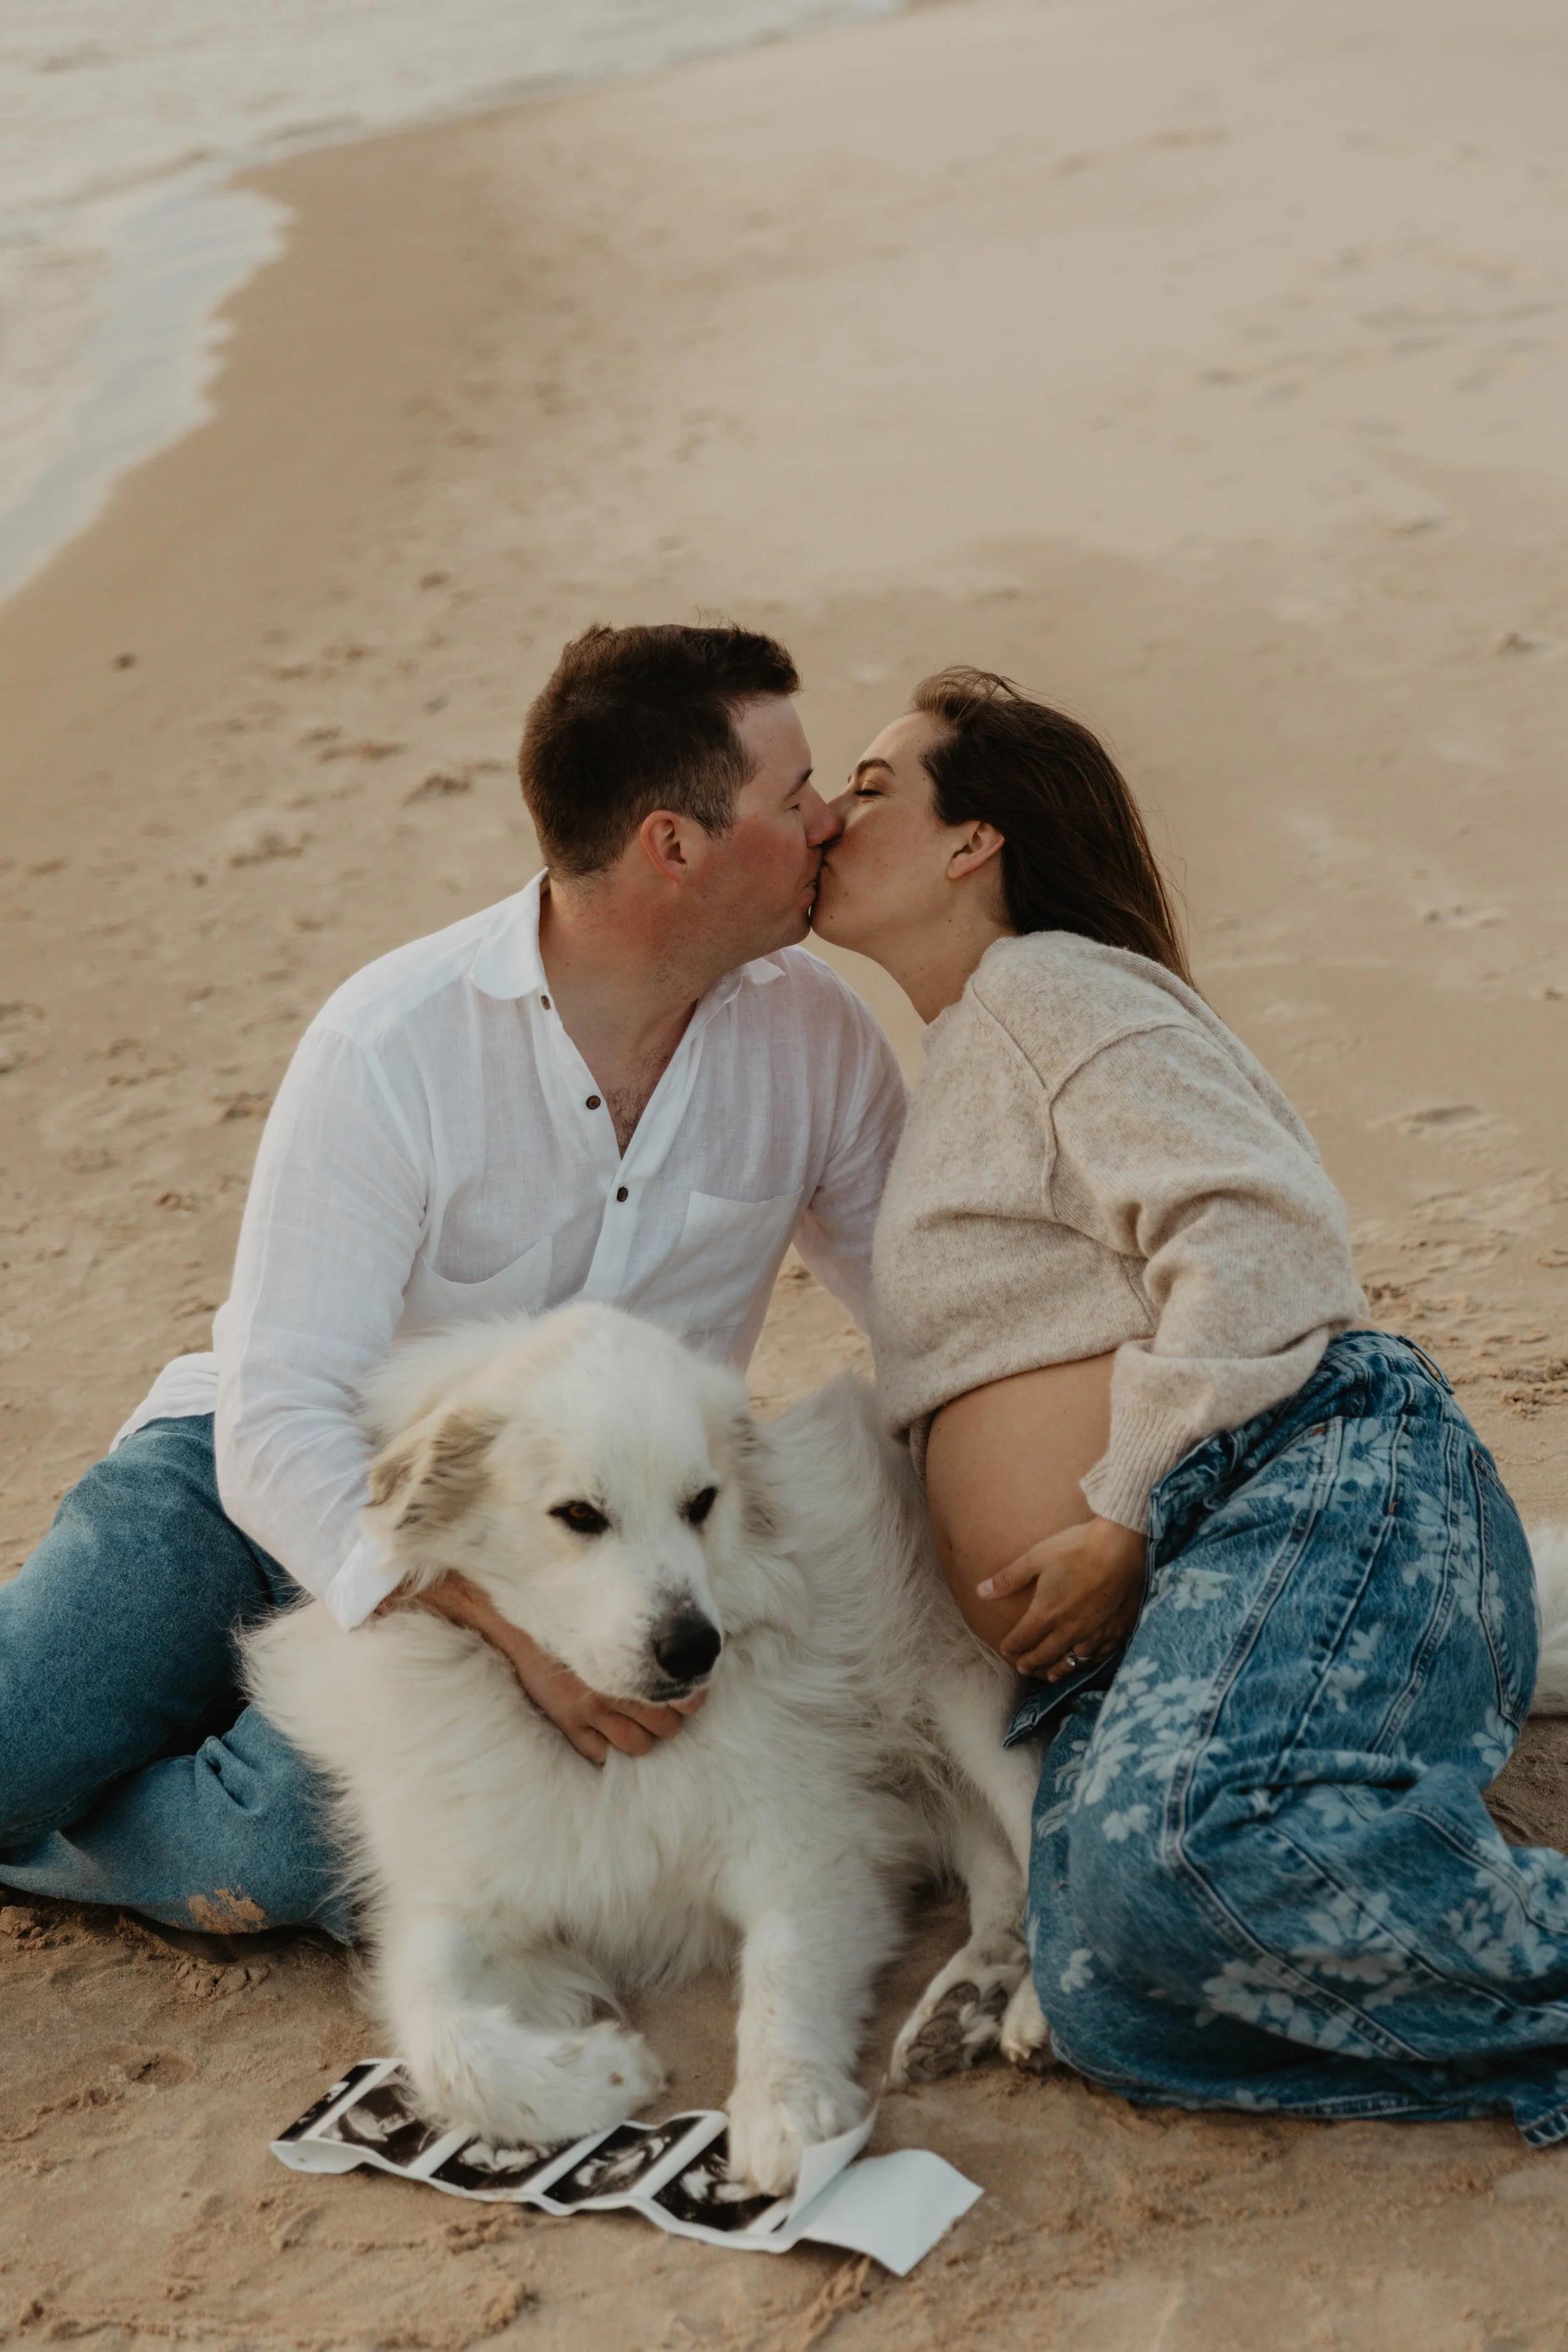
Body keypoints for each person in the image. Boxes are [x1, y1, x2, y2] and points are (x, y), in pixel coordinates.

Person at [0, 623, 905, 1941]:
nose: (827, 820)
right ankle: (94, 1749)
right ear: (673, 844)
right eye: (794, 793)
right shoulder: (392, 1041)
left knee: (302, 1857)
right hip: (246, 1485)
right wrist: (494, 1625)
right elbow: (276, 1416)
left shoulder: (816, 1040)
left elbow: (916, 1313)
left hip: (565, 1541)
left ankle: (87, 1818)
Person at [810, 666, 1568, 2147]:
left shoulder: (1046, 986)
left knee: (1190, 1851)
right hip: (1176, 1598)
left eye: (873, 785)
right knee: (1106, 1999)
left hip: (1293, 1480)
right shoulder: (976, 1041)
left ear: (976, 843)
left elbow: (1263, 1236)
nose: (835, 814)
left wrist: (1117, 1506)